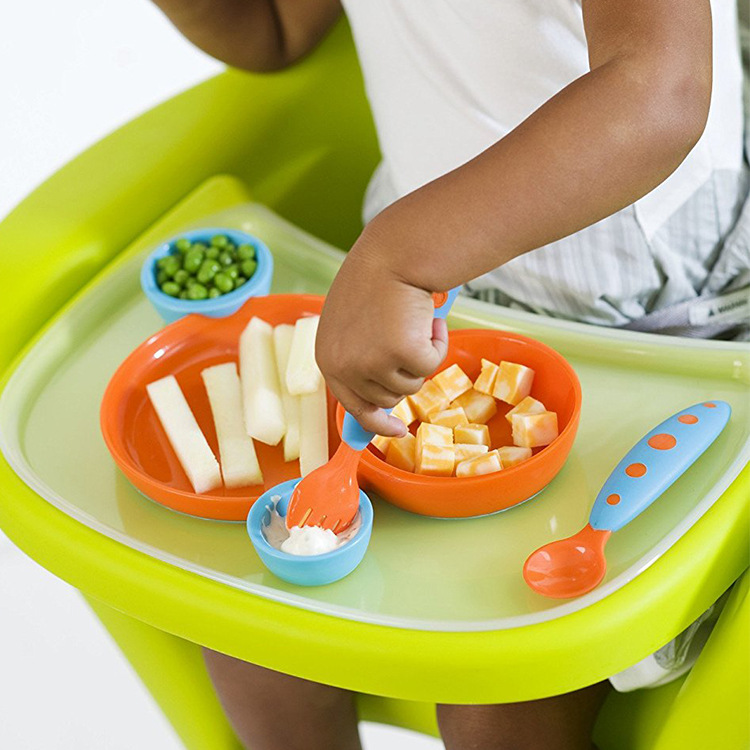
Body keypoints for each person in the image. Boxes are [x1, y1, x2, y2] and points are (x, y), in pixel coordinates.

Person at [152, 1, 749, 748]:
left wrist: (399, 258)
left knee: (498, 703)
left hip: (644, 310)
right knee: (250, 631)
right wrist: (397, 267)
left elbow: (657, 92)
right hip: (417, 291)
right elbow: (276, 30)